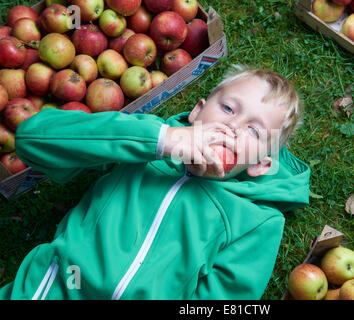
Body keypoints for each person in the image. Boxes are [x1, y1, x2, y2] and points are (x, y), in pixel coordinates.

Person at [0, 65, 310, 300]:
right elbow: (32, 139)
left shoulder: (258, 221)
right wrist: (161, 140)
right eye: (228, 108)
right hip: (52, 289)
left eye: (254, 131)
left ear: (260, 165)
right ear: (197, 111)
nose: (232, 126)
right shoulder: (142, 146)